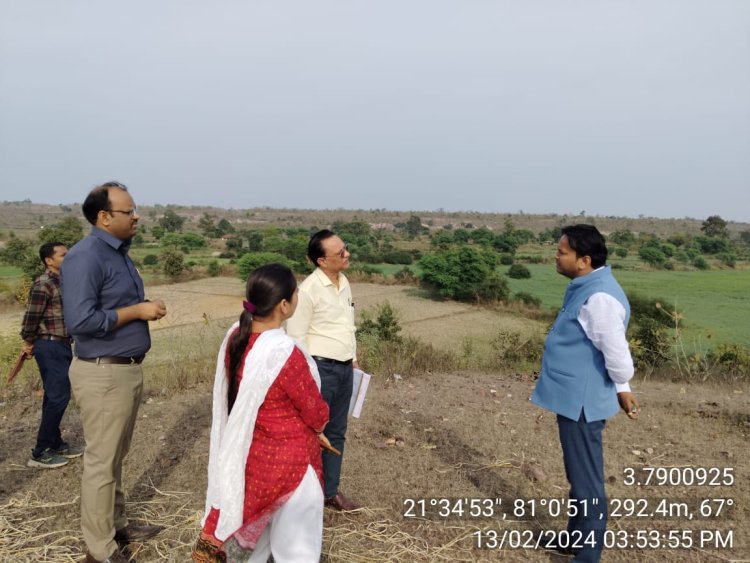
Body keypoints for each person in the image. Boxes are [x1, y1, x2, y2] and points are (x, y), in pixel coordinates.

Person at [194, 264, 330, 563]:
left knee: (256, 540)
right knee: (297, 548)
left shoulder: (235, 337)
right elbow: (315, 412)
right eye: (295, 295)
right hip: (291, 463)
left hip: (254, 460)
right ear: (284, 305)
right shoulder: (283, 352)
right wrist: (321, 424)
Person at [61, 181, 167, 563]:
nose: (136, 216)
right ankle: (100, 549)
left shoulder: (119, 253)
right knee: (102, 463)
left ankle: (116, 524)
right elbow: (80, 320)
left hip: (124, 372)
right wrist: (137, 311)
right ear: (104, 218)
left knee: (115, 457)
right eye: (128, 211)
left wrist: (143, 306)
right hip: (103, 374)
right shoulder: (86, 256)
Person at [531, 224, 640, 563]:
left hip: (581, 403)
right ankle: (574, 540)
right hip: (575, 399)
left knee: (587, 483)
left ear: (584, 260)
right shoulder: (588, 286)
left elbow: (617, 353)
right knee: (578, 476)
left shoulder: (600, 297)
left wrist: (623, 384)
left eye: (562, 251)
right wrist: (621, 388)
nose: (556, 256)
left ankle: (587, 556)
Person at [286, 229, 361, 512]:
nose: (347, 255)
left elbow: (347, 324)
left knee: (338, 432)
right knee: (312, 433)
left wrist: (353, 358)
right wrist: (306, 380)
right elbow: (296, 338)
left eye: (346, 248)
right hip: (319, 370)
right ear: (321, 260)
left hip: (344, 368)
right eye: (340, 253)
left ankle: (329, 491)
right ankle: (303, 497)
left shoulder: (345, 282)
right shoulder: (308, 291)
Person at [20, 241, 83, 468]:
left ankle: (55, 443)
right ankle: (40, 451)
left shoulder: (63, 281)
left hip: (63, 344)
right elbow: (31, 317)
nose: (69, 258)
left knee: (54, 396)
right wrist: (27, 341)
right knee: (59, 397)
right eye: (64, 255)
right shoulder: (43, 283)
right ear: (49, 260)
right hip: (49, 345)